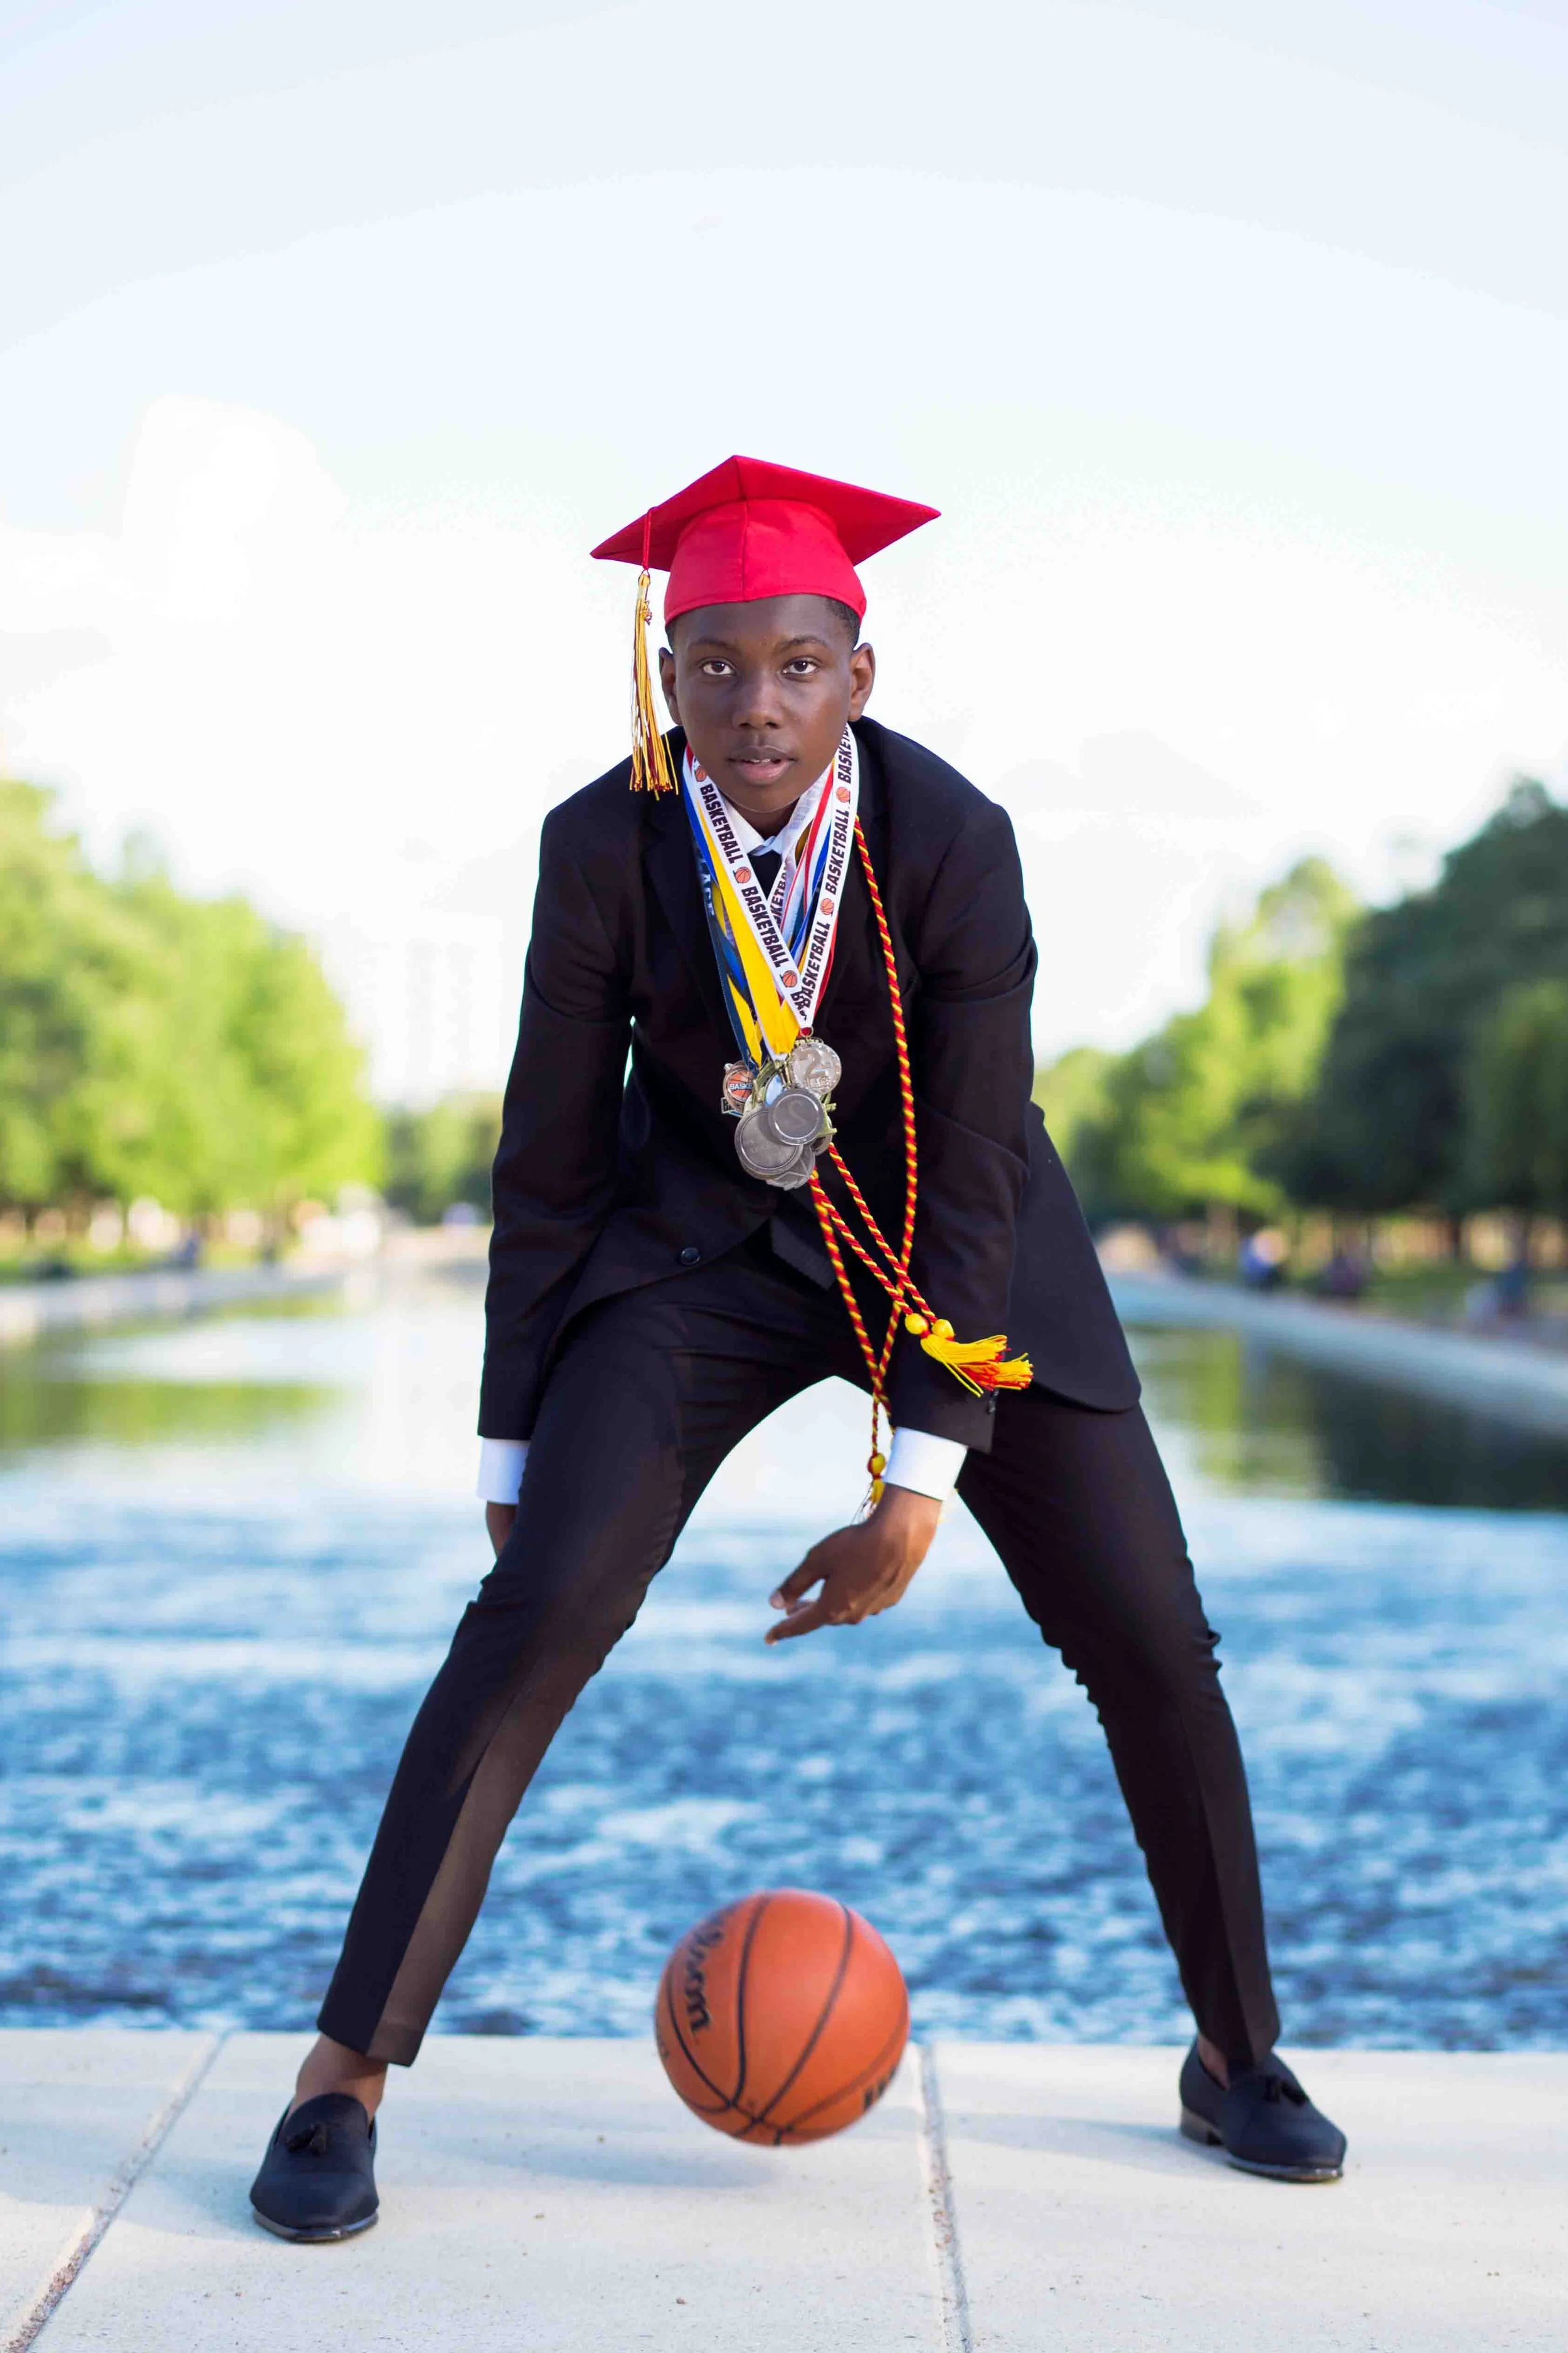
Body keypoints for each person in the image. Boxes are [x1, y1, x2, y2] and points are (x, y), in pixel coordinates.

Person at [250, 456, 1345, 2241]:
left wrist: (915, 1482)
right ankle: (340, 2077)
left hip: (953, 1250)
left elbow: (981, 1152)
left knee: (1153, 1628)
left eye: (791, 668)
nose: (751, 709)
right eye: (714, 669)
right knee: (531, 1618)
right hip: (701, 1253)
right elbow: (548, 1150)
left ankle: (1237, 2057)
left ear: (857, 673)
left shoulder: (950, 838)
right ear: (663, 676)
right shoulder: (603, 840)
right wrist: (512, 1446)